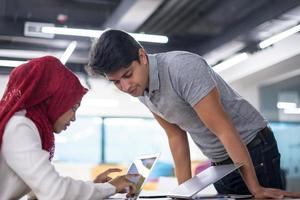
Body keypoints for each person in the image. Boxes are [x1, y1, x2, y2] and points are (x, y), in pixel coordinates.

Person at [87, 29, 300, 199]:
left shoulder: (182, 68)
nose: (125, 86)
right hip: (219, 162)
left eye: (127, 75)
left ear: (142, 56)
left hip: (252, 148)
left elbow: (224, 129)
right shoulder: (141, 89)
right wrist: (183, 193)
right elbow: (176, 137)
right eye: (116, 82)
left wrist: (256, 188)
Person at [0, 56, 136, 200]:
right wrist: (111, 187)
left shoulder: (29, 125)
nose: (73, 117)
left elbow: (38, 193)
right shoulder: (20, 127)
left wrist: (94, 187)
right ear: (55, 99)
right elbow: (56, 192)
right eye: (73, 107)